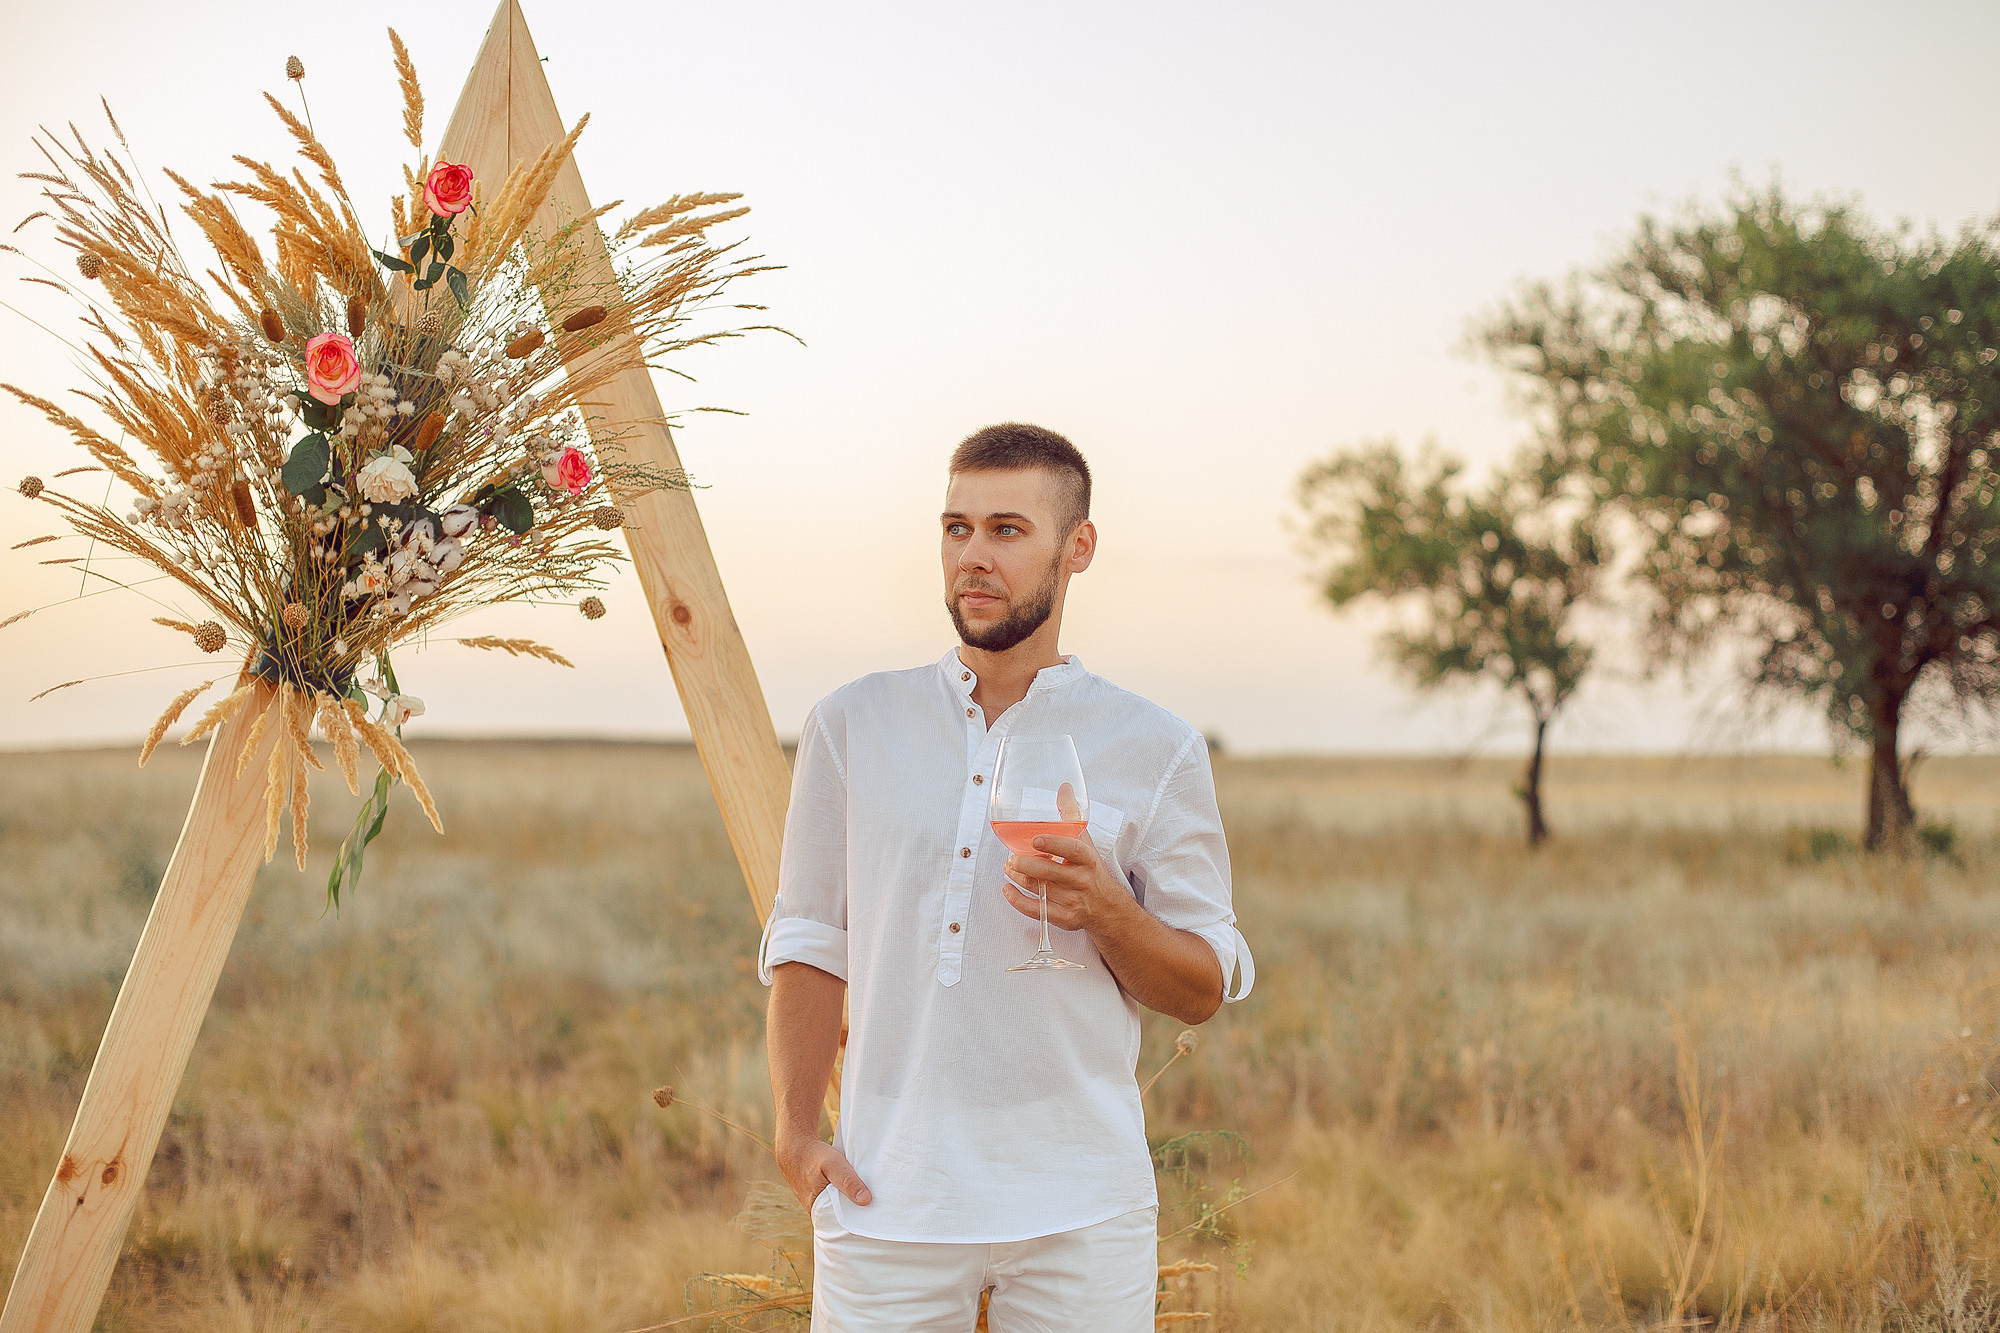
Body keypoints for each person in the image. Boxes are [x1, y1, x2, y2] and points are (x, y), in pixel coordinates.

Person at [760, 422, 1254, 1331]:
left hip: (1083, 1213)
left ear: (1078, 547)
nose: (973, 557)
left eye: (1007, 530)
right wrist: (795, 1134)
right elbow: (810, 939)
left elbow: (1201, 988)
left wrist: (1110, 913)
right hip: (885, 1200)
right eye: (956, 528)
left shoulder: (1157, 746)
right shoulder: (852, 721)